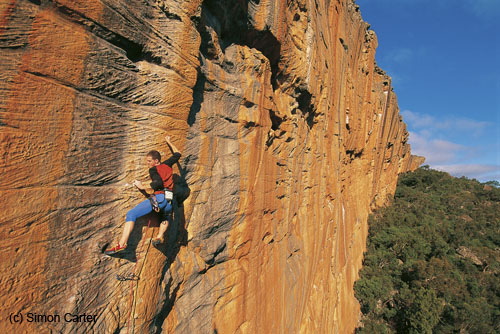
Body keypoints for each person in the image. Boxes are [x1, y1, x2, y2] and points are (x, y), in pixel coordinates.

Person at [104, 135, 181, 255]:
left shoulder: (154, 169)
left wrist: (142, 186)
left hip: (160, 199)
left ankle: (121, 244)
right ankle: (159, 236)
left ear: (156, 161)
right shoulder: (167, 164)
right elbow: (178, 154)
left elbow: (158, 183)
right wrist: (169, 141)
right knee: (165, 217)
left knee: (131, 214)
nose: (148, 164)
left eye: (149, 161)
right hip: (169, 201)